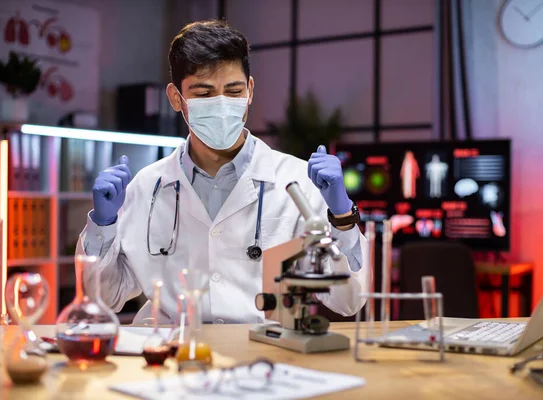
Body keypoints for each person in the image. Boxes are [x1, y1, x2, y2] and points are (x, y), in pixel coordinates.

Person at [77, 20, 368, 324]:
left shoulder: (296, 182)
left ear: (250, 91)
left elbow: (348, 300)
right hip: (172, 354)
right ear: (176, 98)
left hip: (264, 357)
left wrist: (343, 217)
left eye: (233, 91)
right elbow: (106, 296)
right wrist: (104, 224)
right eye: (204, 94)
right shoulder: (147, 187)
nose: (221, 105)